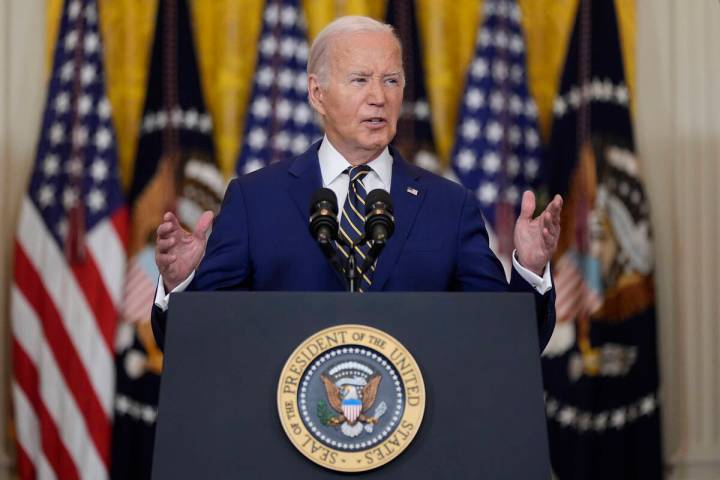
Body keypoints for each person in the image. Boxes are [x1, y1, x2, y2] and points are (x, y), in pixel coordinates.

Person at [151, 16, 563, 349]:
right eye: (360, 79)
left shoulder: (448, 206)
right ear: (317, 94)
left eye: (391, 80)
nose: (379, 97)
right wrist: (181, 287)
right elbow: (198, 347)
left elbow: (505, 343)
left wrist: (529, 268)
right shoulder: (255, 200)